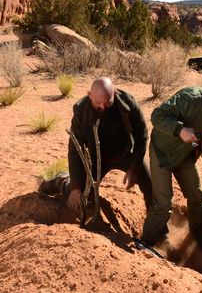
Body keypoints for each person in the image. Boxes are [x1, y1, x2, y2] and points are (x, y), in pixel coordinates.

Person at [140, 79, 202, 256]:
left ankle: (197, 233)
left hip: (186, 155)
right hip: (163, 152)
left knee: (197, 195)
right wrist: (180, 130)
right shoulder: (189, 98)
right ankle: (146, 242)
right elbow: (157, 116)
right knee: (164, 203)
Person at [39, 77, 153, 213]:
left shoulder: (128, 103)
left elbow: (142, 136)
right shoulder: (81, 112)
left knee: (153, 186)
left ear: (114, 94)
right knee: (80, 194)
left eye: (108, 102)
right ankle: (61, 181)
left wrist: (134, 167)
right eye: (98, 103)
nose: (103, 107)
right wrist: (76, 188)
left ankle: (157, 231)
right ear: (89, 95)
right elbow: (75, 149)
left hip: (125, 154)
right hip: (95, 160)